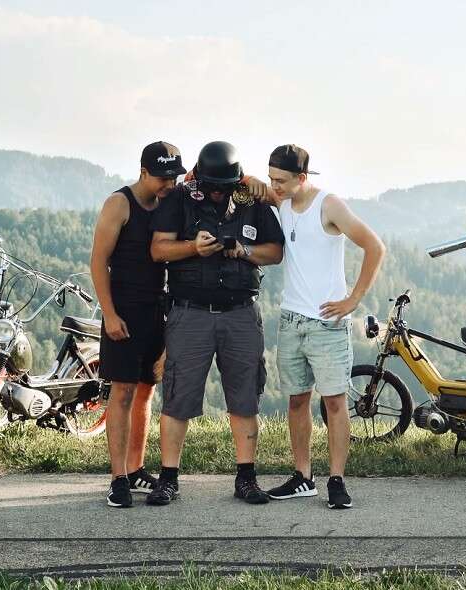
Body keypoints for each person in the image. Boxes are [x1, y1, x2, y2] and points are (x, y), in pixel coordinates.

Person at [147, 140, 285, 506]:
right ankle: (168, 478)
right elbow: (159, 249)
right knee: (177, 397)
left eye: (223, 186)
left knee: (245, 397)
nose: (216, 192)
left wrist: (245, 251)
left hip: (241, 311)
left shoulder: (251, 199)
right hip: (189, 311)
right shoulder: (179, 198)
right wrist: (193, 248)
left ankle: (246, 477)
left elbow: (275, 251)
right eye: (210, 186)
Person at [260, 145, 385, 509]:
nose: (275, 187)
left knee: (334, 402)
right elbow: (257, 189)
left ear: (303, 178)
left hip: (327, 324)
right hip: (291, 320)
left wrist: (353, 300)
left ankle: (336, 480)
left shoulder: (329, 205)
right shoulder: (282, 199)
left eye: (281, 180)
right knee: (297, 400)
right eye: (271, 179)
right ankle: (302, 477)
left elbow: (374, 247)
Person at [90, 141, 186, 508]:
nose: (168, 183)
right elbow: (99, 261)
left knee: (146, 390)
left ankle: (135, 469)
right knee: (123, 391)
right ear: (143, 171)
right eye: (162, 177)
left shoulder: (170, 200)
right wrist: (110, 314)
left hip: (157, 309)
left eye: (173, 176)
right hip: (124, 309)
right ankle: (117, 479)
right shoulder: (119, 203)